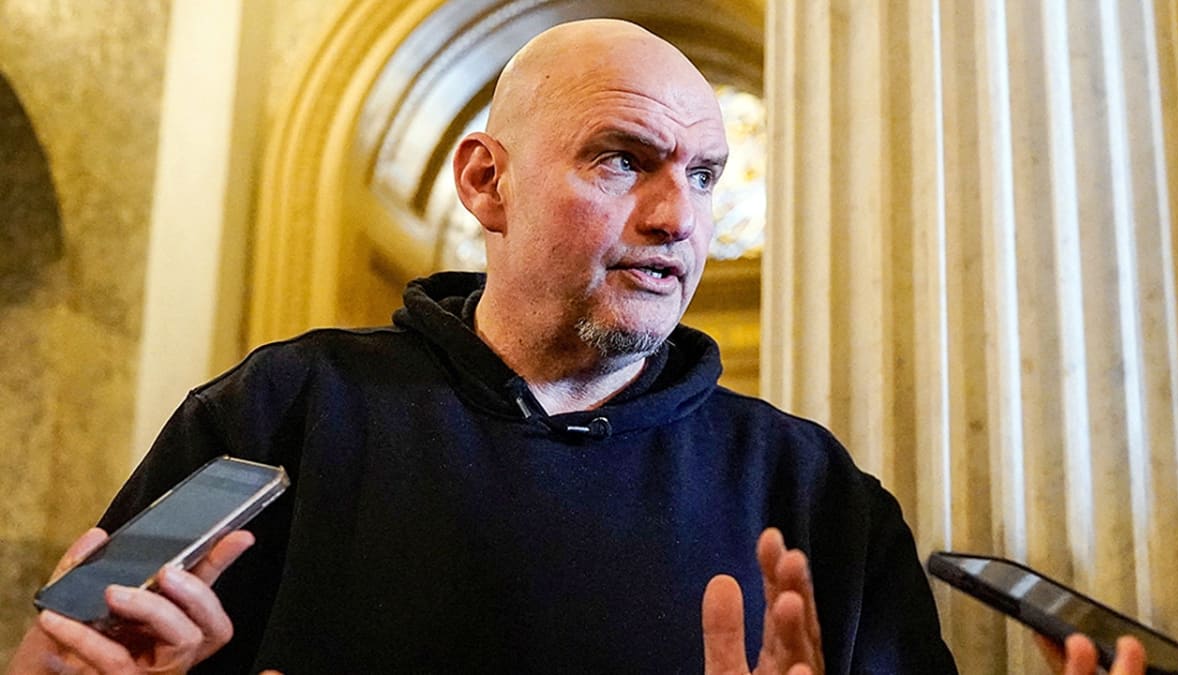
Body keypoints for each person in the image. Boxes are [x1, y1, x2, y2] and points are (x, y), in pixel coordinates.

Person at [9, 18, 966, 674]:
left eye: (706, 175)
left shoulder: (813, 492)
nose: (679, 217)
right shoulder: (284, 409)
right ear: (485, 180)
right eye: (623, 158)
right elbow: (74, 652)